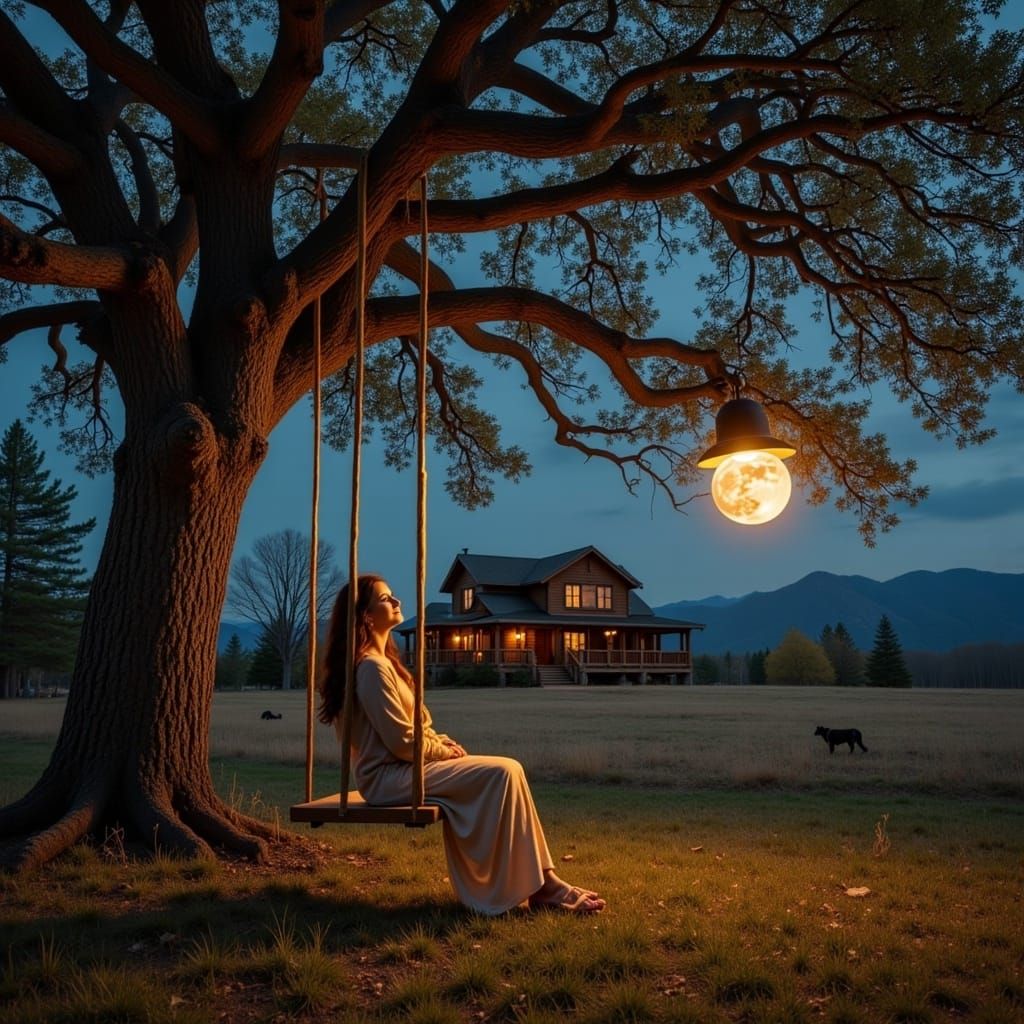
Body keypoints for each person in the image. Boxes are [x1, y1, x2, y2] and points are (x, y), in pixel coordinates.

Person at [318, 574, 606, 916]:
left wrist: (440, 741)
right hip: (387, 777)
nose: (396, 602)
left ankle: (546, 883)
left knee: (508, 770)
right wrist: (442, 751)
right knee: (501, 773)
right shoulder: (370, 670)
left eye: (393, 595)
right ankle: (540, 888)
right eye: (385, 598)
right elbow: (400, 742)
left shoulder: (385, 665)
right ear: (366, 616)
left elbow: (413, 731)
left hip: (408, 767)